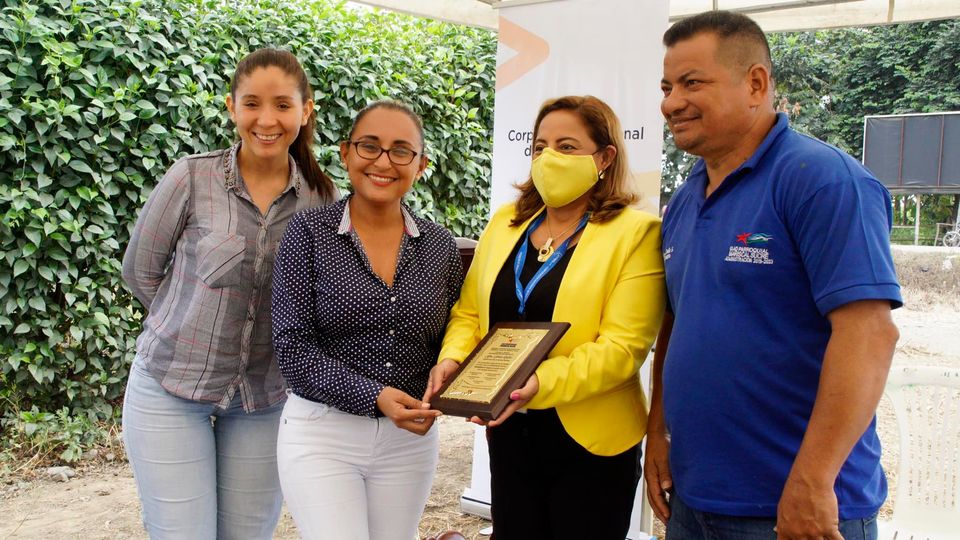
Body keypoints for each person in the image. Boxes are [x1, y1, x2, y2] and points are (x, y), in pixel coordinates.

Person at [645, 11, 902, 540]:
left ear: (756, 84)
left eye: (692, 83)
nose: (671, 103)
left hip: (794, 509)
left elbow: (869, 334)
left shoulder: (824, 181)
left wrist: (813, 479)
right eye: (667, 87)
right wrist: (658, 433)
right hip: (694, 499)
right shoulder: (687, 197)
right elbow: (677, 323)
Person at [426, 95, 666, 540]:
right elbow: (469, 312)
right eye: (540, 147)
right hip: (511, 435)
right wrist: (453, 358)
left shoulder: (636, 234)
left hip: (592, 444)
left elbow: (622, 350)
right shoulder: (506, 223)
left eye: (567, 146)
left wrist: (534, 384)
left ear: (605, 157)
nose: (549, 157)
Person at [120, 48, 337, 539]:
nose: (267, 119)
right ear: (231, 107)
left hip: (264, 400)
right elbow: (140, 272)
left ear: (305, 111)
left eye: (283, 105)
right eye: (252, 103)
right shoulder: (192, 177)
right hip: (171, 390)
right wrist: (186, 327)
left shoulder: (321, 200)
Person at [271, 100, 463, 540]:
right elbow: (292, 349)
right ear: (345, 153)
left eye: (401, 151)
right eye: (369, 146)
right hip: (323, 433)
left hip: (408, 441)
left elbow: (457, 332)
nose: (383, 162)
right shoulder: (308, 233)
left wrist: (457, 372)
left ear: (421, 165)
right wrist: (375, 396)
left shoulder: (440, 246)